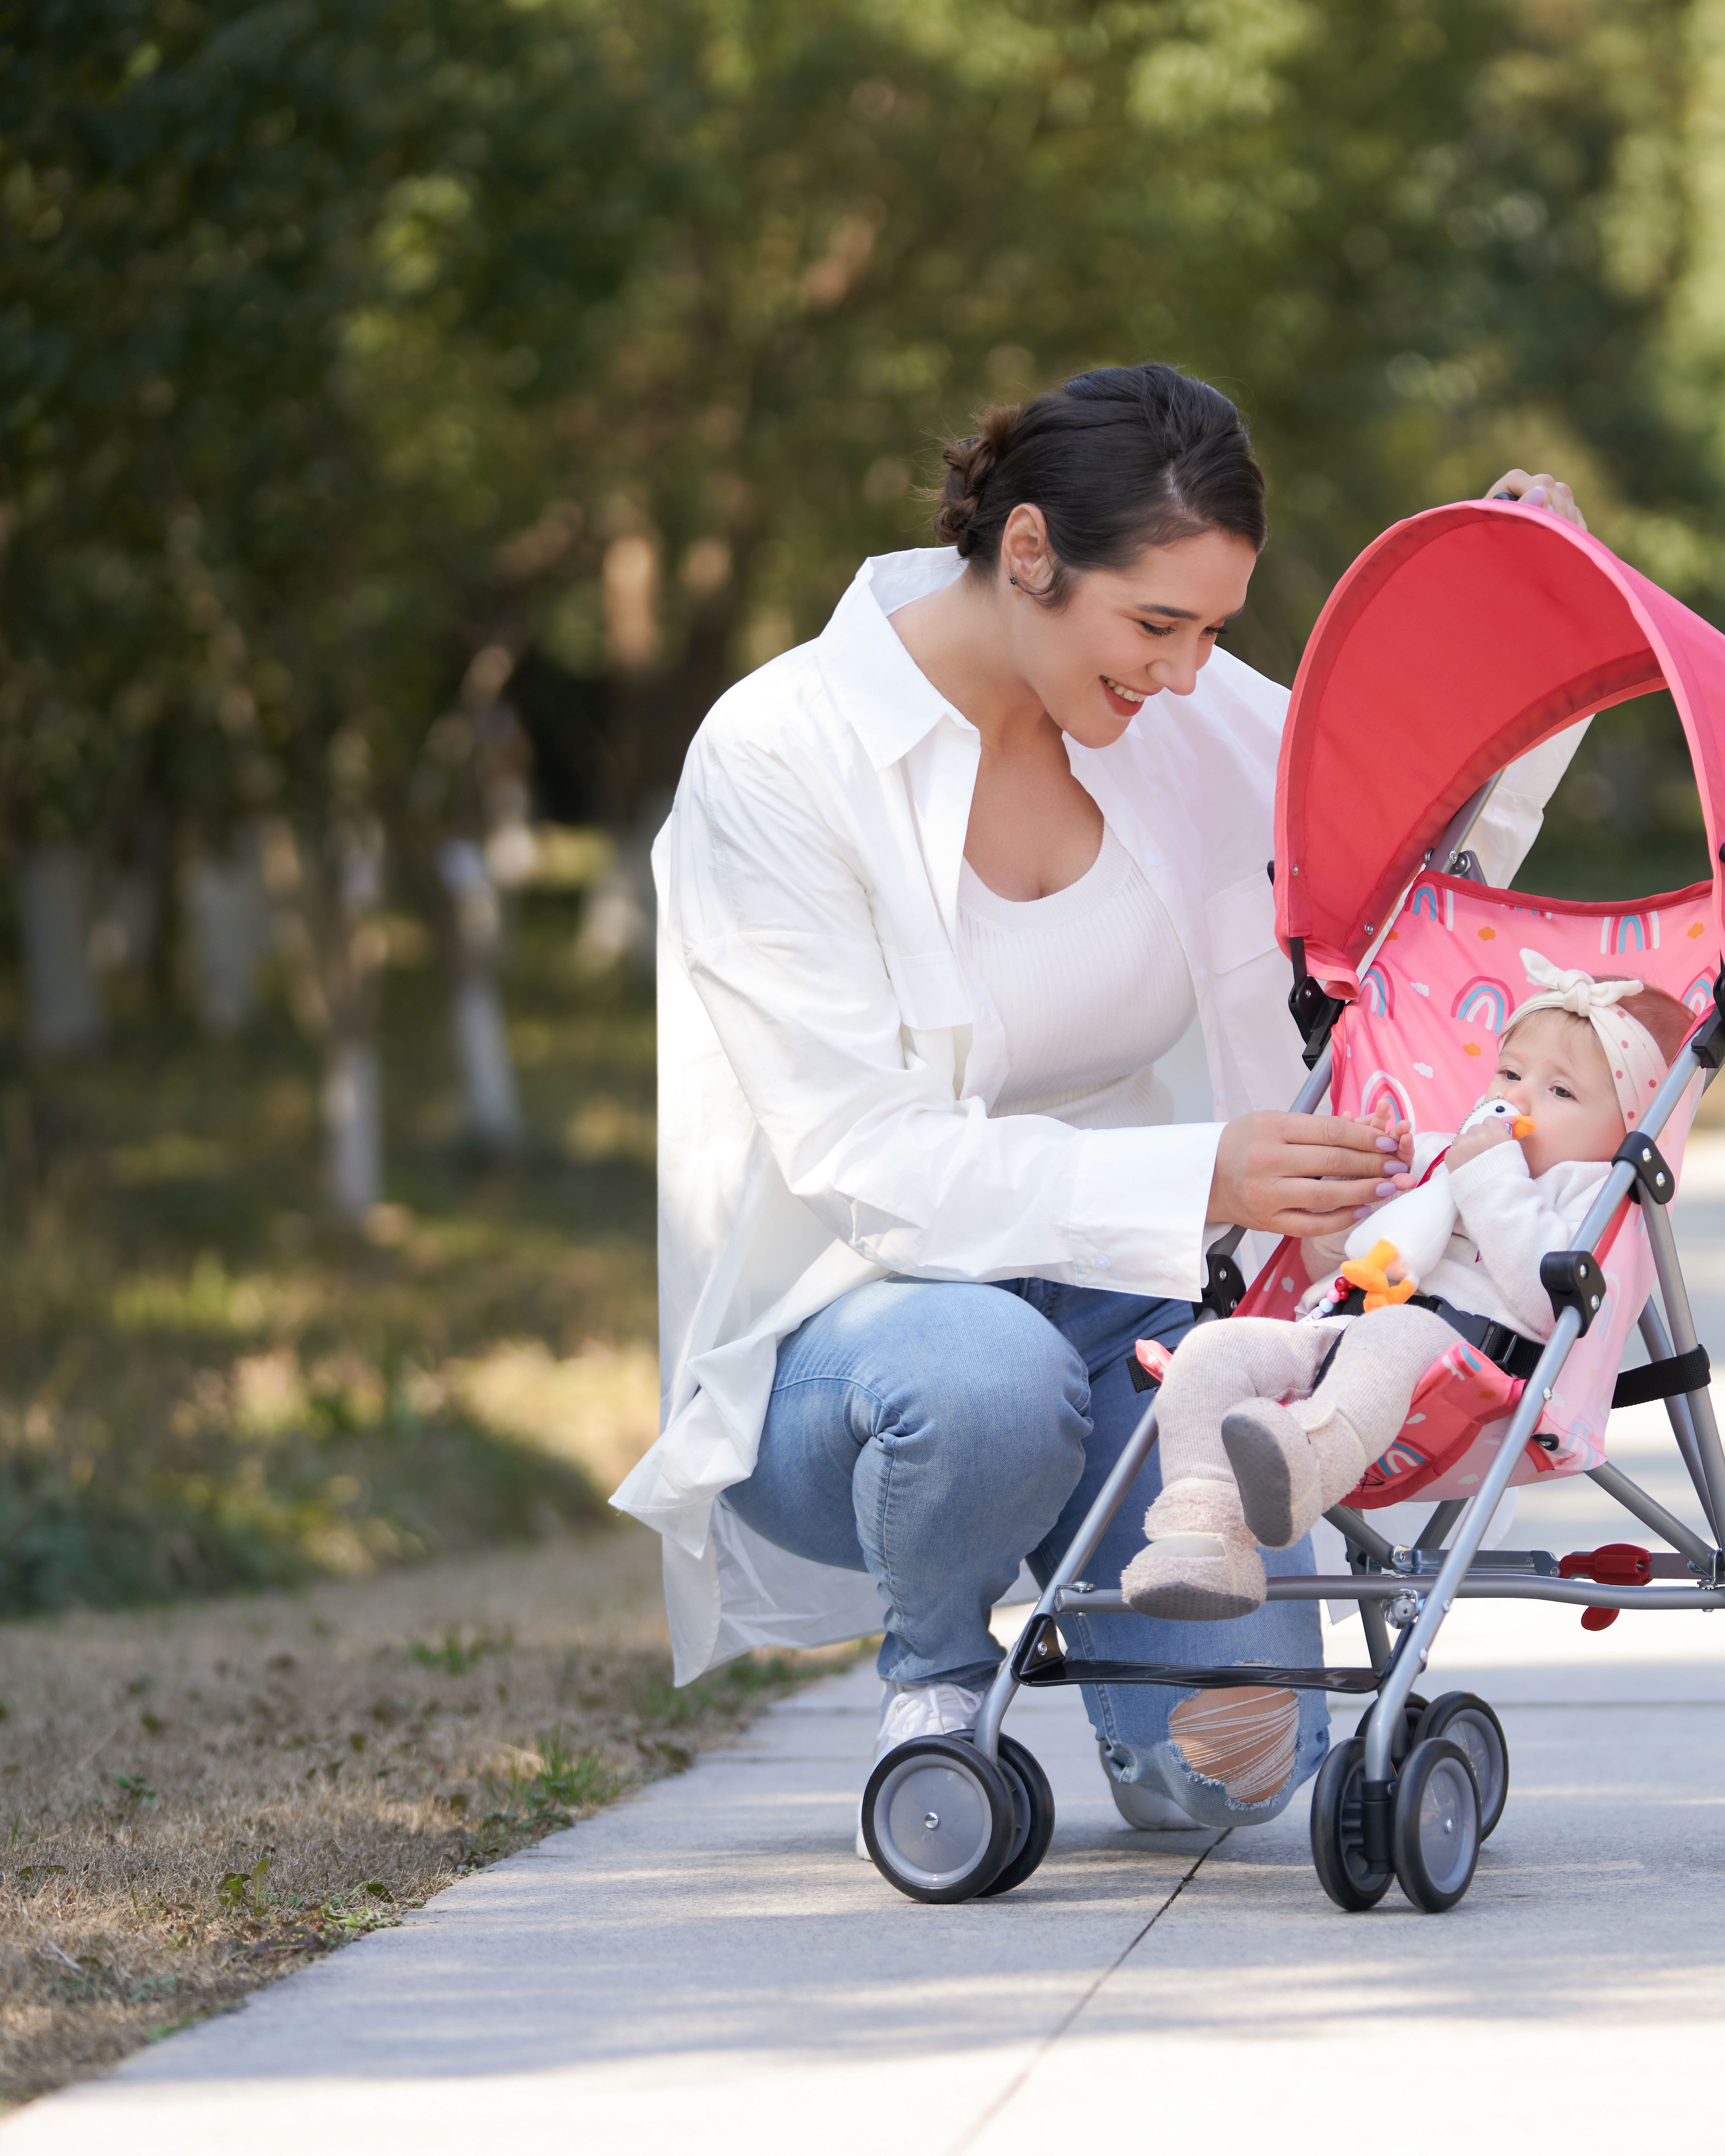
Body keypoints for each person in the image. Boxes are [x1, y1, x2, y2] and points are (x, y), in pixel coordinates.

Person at [612, 359, 1589, 1833]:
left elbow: (1409, 889)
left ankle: (1134, 1654)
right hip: (862, 1336)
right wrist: (1205, 1177)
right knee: (991, 1383)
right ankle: (939, 1688)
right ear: (1028, 554)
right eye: (1157, 626)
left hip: (1124, 1306)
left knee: (1231, 1774)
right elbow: (860, 1157)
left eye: (1212, 634)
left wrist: (1527, 625)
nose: (1187, 673)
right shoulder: (781, 756)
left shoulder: (1174, 717)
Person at [1120, 954, 1694, 1618]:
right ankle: (1201, 1538)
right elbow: (1326, 1271)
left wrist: (1492, 1178)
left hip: (1470, 1368)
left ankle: (1303, 1463)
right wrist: (1358, 1198)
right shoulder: (1441, 1154)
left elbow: (1547, 1304)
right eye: (1511, 1073)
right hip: (1338, 1329)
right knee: (1215, 1348)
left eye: (1562, 1092)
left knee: (1395, 1332)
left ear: (1628, 1128)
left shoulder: (1593, 1191)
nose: (1520, 1098)